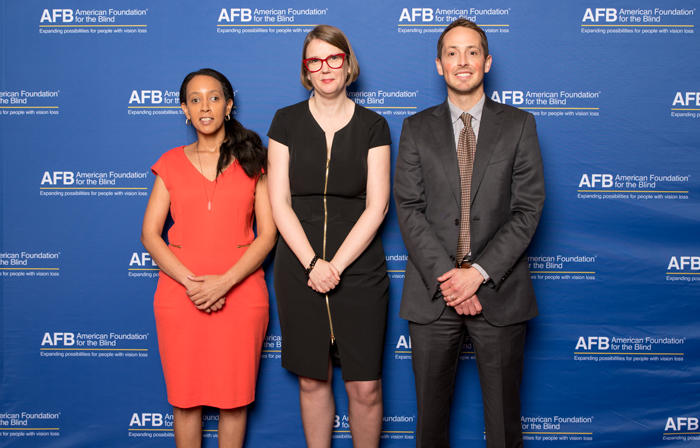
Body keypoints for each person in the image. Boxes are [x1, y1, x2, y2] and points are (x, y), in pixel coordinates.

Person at [393, 19, 545, 448]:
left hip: (499, 293)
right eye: (452, 53)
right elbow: (409, 208)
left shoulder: (519, 125)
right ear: (439, 65)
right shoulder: (415, 128)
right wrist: (451, 278)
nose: (463, 62)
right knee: (429, 428)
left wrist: (477, 272)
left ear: (487, 61)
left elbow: (527, 209)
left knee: (503, 428)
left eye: (472, 52)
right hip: (432, 296)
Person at [267, 25, 391, 448]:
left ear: (348, 63)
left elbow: (378, 206)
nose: (325, 68)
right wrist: (311, 265)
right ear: (306, 69)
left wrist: (334, 267)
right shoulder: (285, 121)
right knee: (311, 382)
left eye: (333, 58)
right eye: (314, 61)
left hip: (359, 271)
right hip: (298, 269)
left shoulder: (374, 125)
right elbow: (278, 202)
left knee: (366, 388)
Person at [141, 68, 277, 448]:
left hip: (240, 294)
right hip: (179, 296)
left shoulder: (254, 159)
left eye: (214, 97)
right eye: (195, 99)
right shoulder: (168, 162)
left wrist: (223, 282)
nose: (205, 106)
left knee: (234, 402)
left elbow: (268, 235)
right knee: (185, 401)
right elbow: (150, 235)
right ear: (184, 109)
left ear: (229, 105)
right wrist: (192, 283)